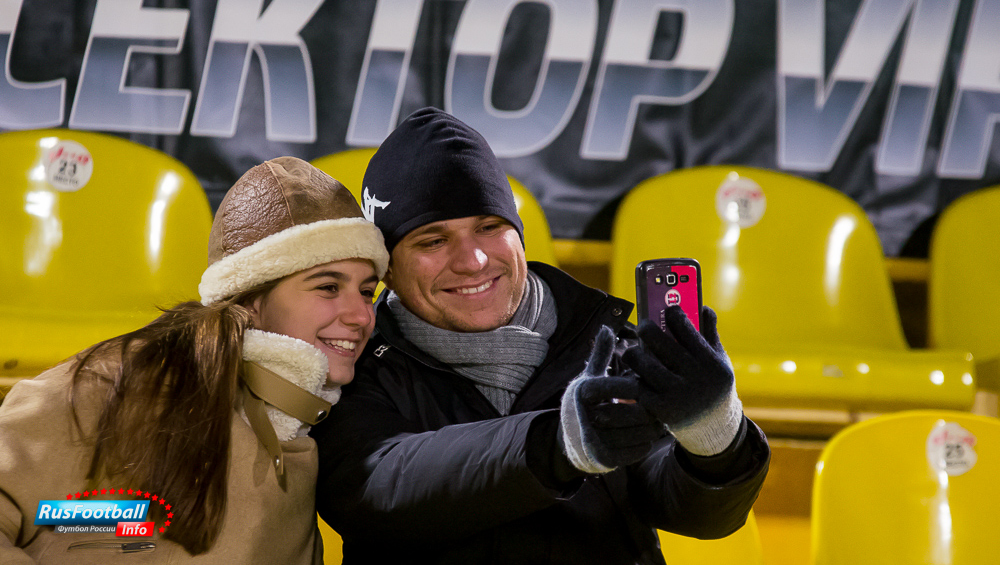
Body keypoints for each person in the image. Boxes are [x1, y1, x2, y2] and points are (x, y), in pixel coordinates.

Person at [313, 107, 770, 564]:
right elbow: (378, 490)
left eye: (490, 227)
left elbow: (699, 517)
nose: (473, 261)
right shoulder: (352, 363)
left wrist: (714, 433)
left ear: (519, 236)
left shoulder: (613, 346)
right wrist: (557, 443)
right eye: (433, 240)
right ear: (388, 269)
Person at [0, 157, 389, 563]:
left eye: (367, 291)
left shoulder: (308, 429)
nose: (362, 316)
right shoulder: (125, 383)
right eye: (328, 287)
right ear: (250, 299)